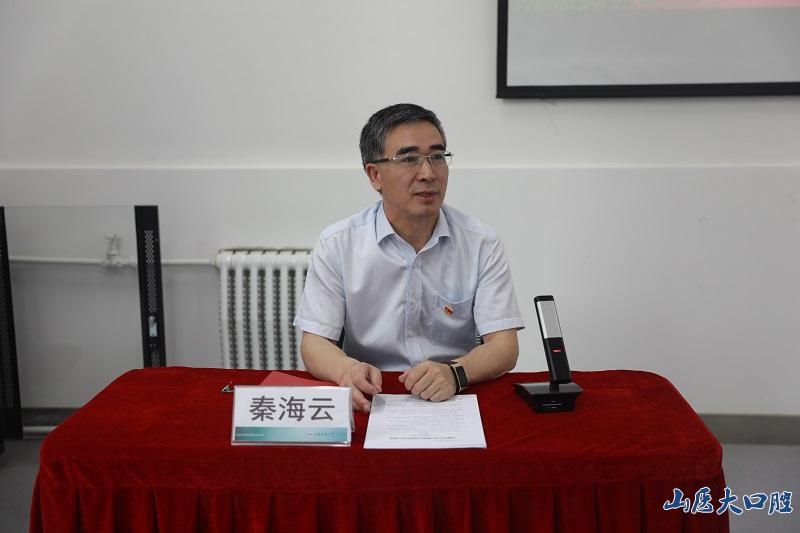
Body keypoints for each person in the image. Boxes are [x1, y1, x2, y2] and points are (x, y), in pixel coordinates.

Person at [293, 103, 524, 412]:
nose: (428, 173)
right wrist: (346, 370)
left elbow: (504, 345)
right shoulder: (338, 244)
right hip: (372, 394)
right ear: (375, 175)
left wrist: (457, 372)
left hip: (453, 392)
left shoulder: (481, 242)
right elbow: (315, 344)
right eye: (409, 159)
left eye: (437, 157)